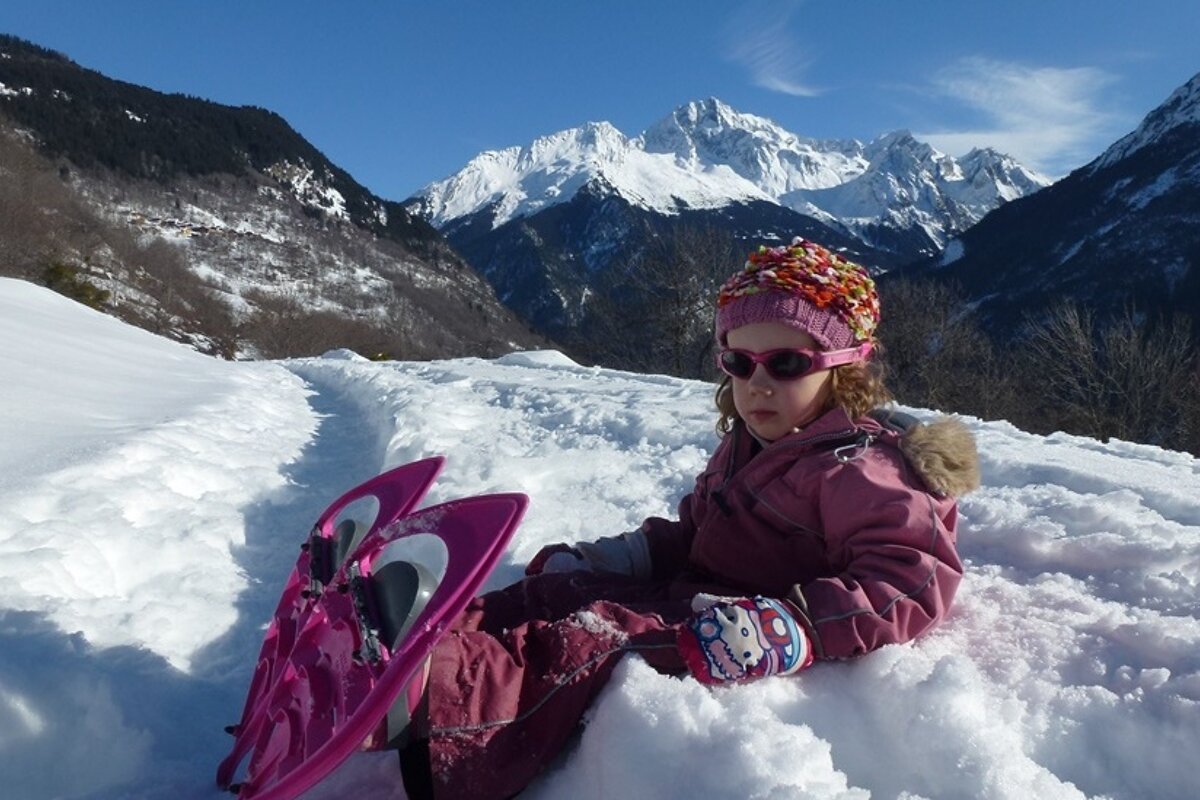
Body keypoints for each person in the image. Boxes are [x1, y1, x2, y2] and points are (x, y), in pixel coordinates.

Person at [392, 237, 981, 799]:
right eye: (738, 361)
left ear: (845, 367)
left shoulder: (862, 469)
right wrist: (627, 556)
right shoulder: (750, 443)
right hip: (692, 588)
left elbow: (911, 580)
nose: (757, 385)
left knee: (591, 641)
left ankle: (433, 698)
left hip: (732, 627)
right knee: (564, 588)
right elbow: (698, 530)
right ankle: (416, 628)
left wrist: (797, 624)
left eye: (786, 363)